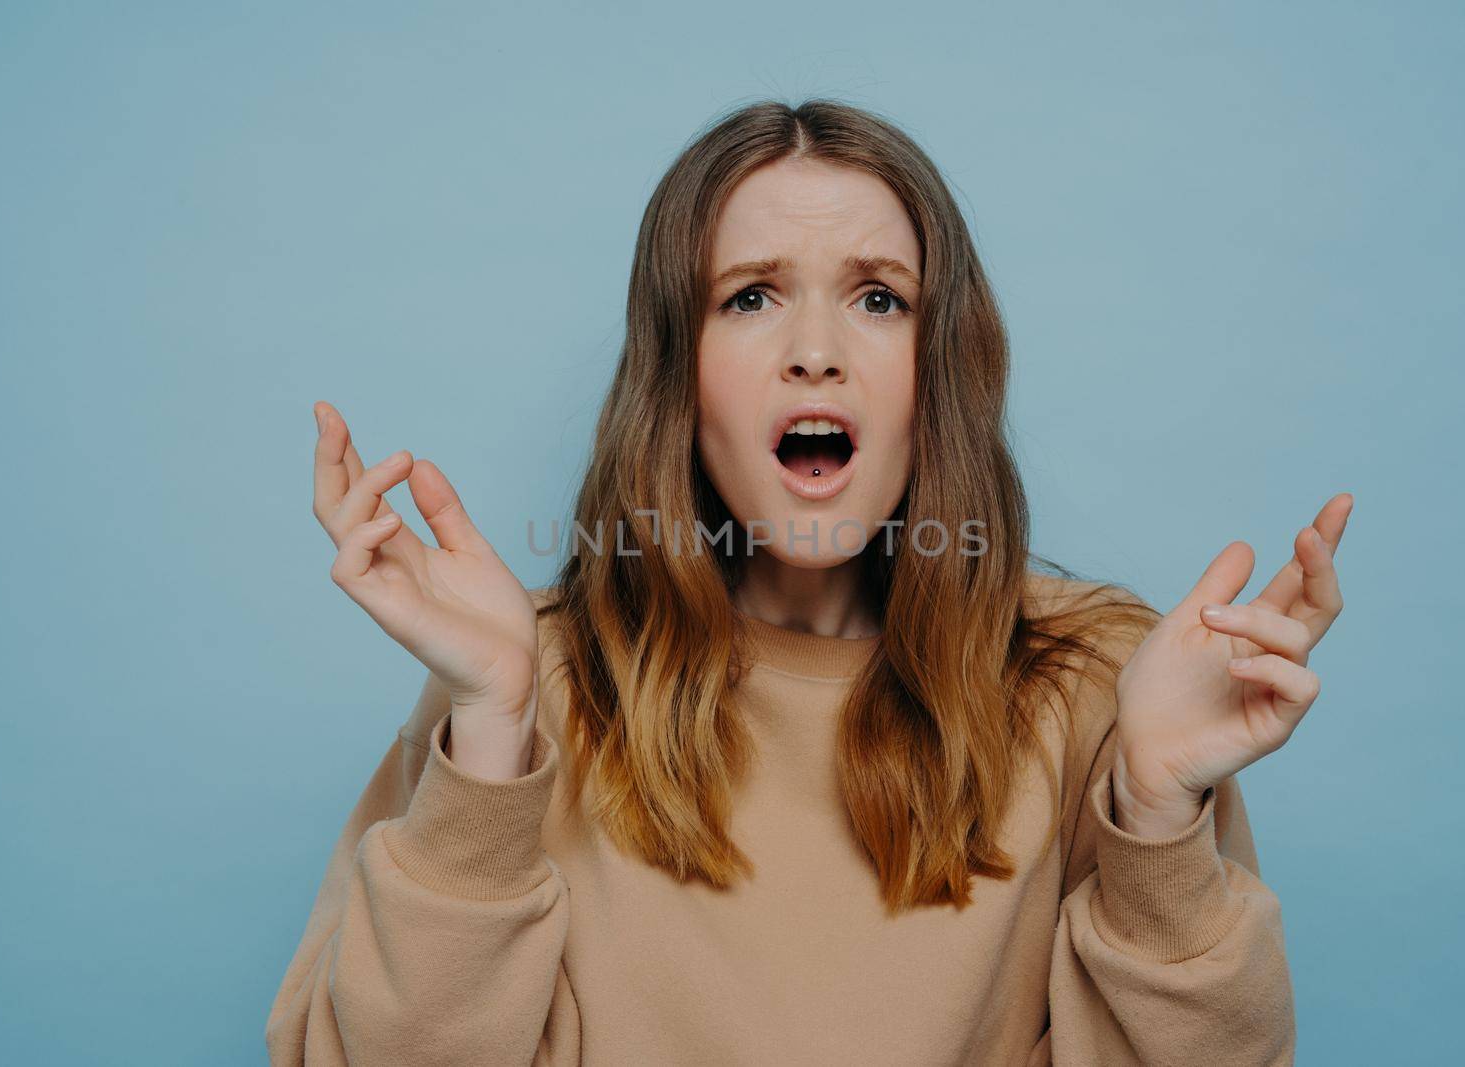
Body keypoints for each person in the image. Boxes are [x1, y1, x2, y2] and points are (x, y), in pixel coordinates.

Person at [267, 98, 1350, 1066]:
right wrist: (493, 733)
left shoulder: (1102, 686)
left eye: (879, 298)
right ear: (675, 373)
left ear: (939, 370)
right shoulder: (525, 677)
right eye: (748, 298)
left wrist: (1156, 818)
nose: (817, 351)